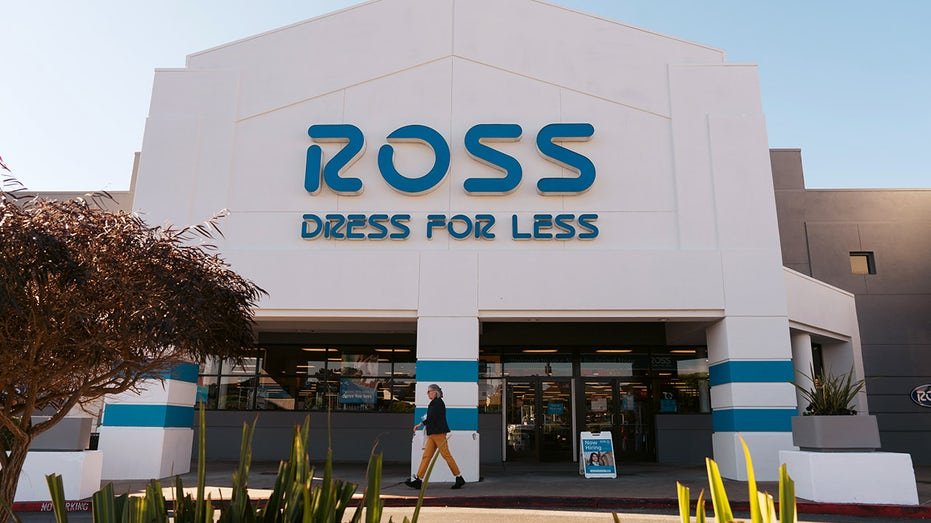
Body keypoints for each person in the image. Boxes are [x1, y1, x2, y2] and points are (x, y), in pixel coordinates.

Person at [405, 384, 466, 490]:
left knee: (446, 455)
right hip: (433, 434)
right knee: (426, 456)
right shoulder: (434, 403)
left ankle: (459, 477)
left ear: (435, 392)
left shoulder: (438, 403)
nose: (427, 393)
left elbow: (431, 417)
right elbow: (430, 417)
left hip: (438, 434)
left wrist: (420, 424)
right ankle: (419, 480)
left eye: (429, 391)